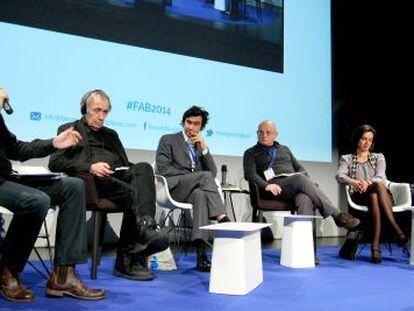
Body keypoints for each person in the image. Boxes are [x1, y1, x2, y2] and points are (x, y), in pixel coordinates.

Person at [48, 89, 169, 281]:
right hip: (92, 183)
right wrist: (90, 167)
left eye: (105, 112)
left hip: (116, 178)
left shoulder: (111, 134)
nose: (101, 116)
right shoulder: (70, 129)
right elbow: (55, 162)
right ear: (84, 109)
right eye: (97, 110)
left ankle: (145, 226)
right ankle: (127, 258)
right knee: (131, 193)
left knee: (144, 169)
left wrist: (146, 177)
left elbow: (125, 164)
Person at [0, 87, 105, 302]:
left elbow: (16, 149)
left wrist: (53, 143)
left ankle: (63, 276)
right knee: (37, 200)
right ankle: (8, 271)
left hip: (6, 177)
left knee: (73, 186)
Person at [243, 120, 361, 238]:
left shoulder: (285, 149)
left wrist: (309, 184)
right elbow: (250, 174)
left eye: (268, 132)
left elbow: (299, 167)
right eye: (261, 132)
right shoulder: (250, 152)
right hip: (272, 188)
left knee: (304, 198)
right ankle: (337, 215)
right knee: (299, 178)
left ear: (275, 134)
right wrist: (266, 185)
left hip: (292, 184)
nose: (263, 135)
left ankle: (307, 250)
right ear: (257, 133)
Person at [155, 106, 229, 272]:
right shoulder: (168, 139)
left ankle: (201, 254)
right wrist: (191, 175)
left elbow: (213, 173)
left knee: (200, 194)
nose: (191, 127)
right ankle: (222, 217)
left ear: (201, 127)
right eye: (189, 122)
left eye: (196, 124)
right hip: (174, 189)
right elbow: (162, 169)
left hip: (193, 190)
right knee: (203, 177)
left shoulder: (198, 146)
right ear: (184, 122)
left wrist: (204, 149)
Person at [336, 124, 408, 263]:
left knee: (376, 191)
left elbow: (381, 176)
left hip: (382, 196)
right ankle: (396, 229)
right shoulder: (347, 158)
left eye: (370, 140)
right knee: (375, 190)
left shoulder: (378, 157)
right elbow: (339, 175)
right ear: (357, 139)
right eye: (364, 138)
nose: (367, 142)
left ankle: (375, 246)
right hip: (360, 197)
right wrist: (354, 182)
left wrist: (368, 182)